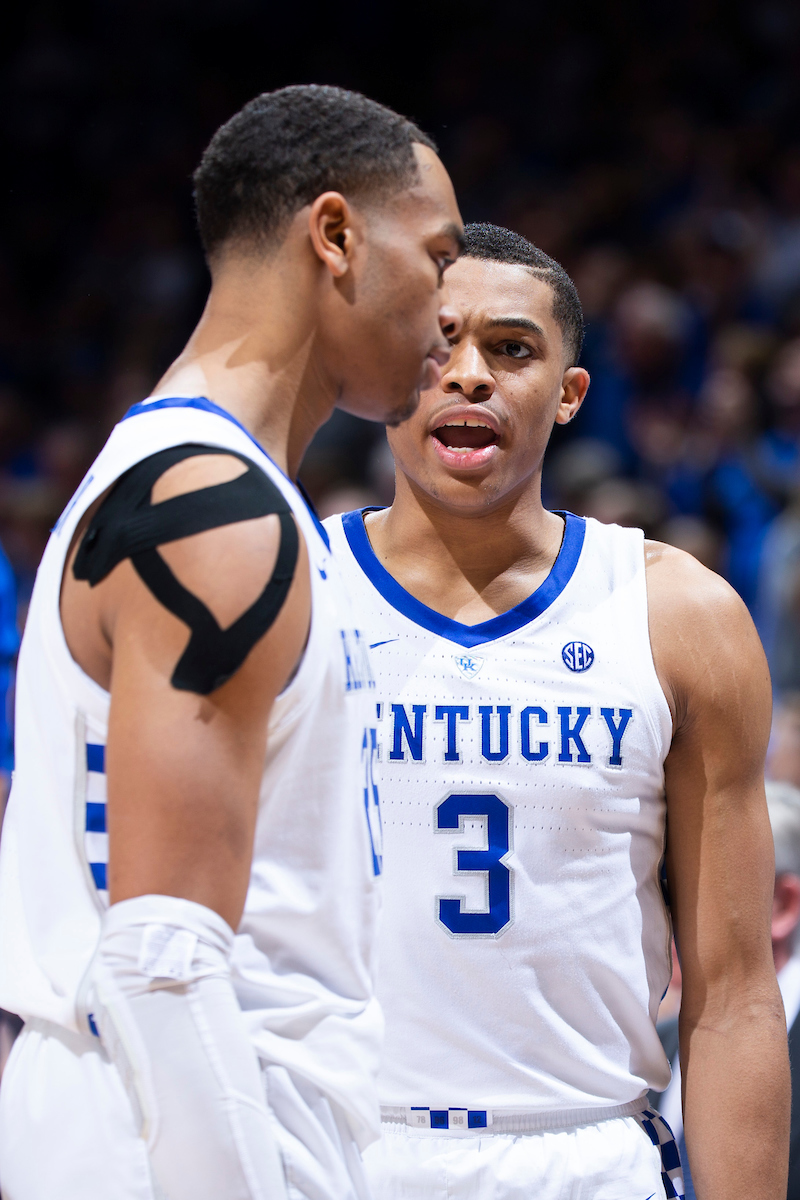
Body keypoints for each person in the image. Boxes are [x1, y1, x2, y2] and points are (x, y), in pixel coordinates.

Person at [0, 84, 462, 1200]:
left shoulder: (200, 483)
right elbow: (163, 962)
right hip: (181, 1133)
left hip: (193, 1115)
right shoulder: (215, 512)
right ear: (337, 234)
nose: (449, 307)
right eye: (440, 257)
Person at [325, 223, 789, 1199]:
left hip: (582, 1154)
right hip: (338, 1149)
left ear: (570, 393)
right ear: (377, 371)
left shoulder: (679, 614)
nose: (467, 375)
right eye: (436, 342)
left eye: (510, 348)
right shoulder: (287, 594)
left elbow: (735, 998)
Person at [653, 780, 800, 1199]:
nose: (664, 913)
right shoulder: (653, 1055)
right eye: (661, 883)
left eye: (691, 886)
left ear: (782, 906)